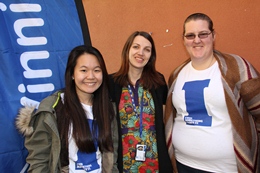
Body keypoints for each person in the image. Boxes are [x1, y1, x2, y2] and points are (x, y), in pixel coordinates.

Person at [164, 12, 260, 173]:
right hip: (183, 164)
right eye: (190, 35)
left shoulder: (238, 69)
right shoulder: (176, 75)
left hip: (226, 168)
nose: (196, 40)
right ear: (183, 39)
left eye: (203, 34)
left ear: (213, 36)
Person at [16, 45, 118, 173]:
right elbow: (39, 160)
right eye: (84, 70)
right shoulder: (52, 109)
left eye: (97, 70)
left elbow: (112, 157)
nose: (91, 76)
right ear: (72, 74)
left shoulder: (107, 108)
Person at [109, 31, 173, 172]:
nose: (141, 53)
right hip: (124, 162)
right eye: (136, 47)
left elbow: (165, 121)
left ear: (151, 56)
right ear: (127, 50)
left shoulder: (158, 82)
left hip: (155, 160)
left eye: (147, 49)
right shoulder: (111, 83)